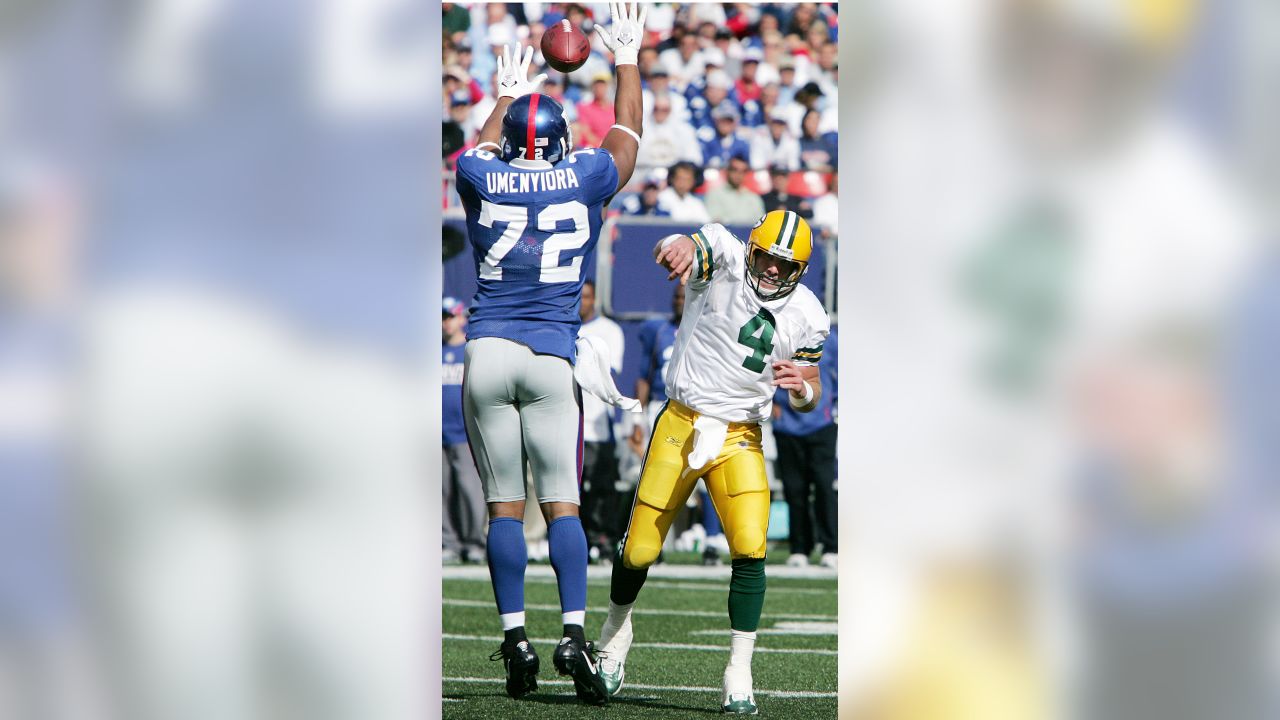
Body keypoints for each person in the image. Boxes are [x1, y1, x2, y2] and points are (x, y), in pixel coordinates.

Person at [452, 1, 647, 703]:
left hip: (486, 353)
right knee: (562, 507)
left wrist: (504, 95)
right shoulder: (586, 175)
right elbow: (627, 135)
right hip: (550, 355)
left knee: (504, 509)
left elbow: (476, 148)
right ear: (564, 145)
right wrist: (626, 58)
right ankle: (572, 634)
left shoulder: (483, 174)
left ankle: (515, 641)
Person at [596, 210, 830, 714]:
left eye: (784, 265)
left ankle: (738, 672)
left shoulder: (809, 314)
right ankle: (615, 634)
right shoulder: (724, 255)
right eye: (766, 256)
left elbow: (810, 393)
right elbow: (697, 244)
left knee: (751, 545)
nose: (771, 270)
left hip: (741, 433)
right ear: (751, 249)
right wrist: (679, 244)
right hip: (683, 420)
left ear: (801, 269)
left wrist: (802, 390)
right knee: (638, 550)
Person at [772, 324, 838, 568]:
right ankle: (800, 547)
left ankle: (831, 546)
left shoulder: (831, 342)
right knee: (794, 489)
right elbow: (759, 375)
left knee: (824, 485)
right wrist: (768, 404)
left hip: (822, 424)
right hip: (787, 425)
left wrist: (836, 408)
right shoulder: (778, 341)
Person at [577, 280, 626, 562]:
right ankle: (579, 541)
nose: (582, 302)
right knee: (572, 489)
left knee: (601, 486)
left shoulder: (609, 330)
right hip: (568, 421)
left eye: (586, 297)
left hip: (597, 423)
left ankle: (603, 538)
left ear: (594, 299)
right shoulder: (565, 326)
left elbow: (608, 373)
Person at [442, 297, 487, 565]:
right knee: (441, 491)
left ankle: (474, 542)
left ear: (461, 318)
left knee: (470, 490)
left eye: (450, 316)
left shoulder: (470, 350)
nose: (445, 322)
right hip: (436, 433)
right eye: (442, 317)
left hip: (464, 432)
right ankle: (448, 542)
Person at [704, 154, 766, 225]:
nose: (738, 174)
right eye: (734, 170)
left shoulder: (754, 198)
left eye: (742, 171)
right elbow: (715, 221)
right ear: (727, 171)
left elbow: (760, 223)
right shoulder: (715, 194)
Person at [699, 103, 753, 170]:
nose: (725, 125)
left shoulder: (741, 143)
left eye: (729, 122)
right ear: (716, 121)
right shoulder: (708, 140)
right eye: (723, 121)